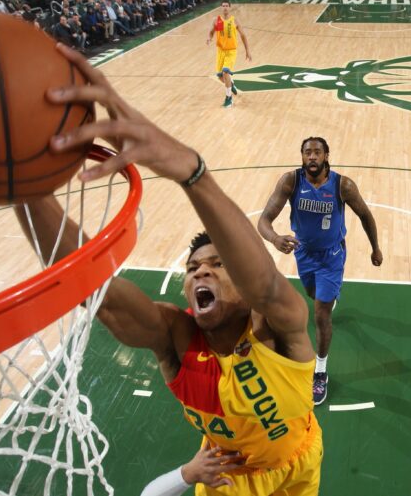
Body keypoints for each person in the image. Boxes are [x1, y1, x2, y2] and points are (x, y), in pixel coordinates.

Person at [21, 43, 323, 496]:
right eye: (193, 268)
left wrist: (192, 174)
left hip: (297, 464)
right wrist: (23, 188)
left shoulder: (276, 326)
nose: (201, 272)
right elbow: (97, 291)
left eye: (218, 265)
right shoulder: (176, 338)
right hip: (225, 477)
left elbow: (263, 284)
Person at [257, 137, 383, 406]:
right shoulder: (290, 181)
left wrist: (375, 248)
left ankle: (321, 370)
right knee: (313, 295)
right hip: (304, 254)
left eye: (317, 152)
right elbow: (264, 220)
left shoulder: (343, 185)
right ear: (302, 156)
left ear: (326, 155)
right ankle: (326, 298)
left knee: (321, 314)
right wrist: (275, 238)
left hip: (331, 257)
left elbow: (365, 215)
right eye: (307, 152)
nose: (312, 157)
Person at [206, 0, 251, 108]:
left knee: (226, 72)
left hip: (231, 51)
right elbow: (211, 32)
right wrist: (209, 38)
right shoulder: (216, 20)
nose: (225, 7)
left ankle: (229, 98)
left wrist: (247, 51)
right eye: (223, 6)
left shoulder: (234, 20)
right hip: (220, 51)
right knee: (220, 76)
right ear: (221, 8)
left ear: (230, 7)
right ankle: (231, 84)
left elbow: (243, 36)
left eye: (227, 6)